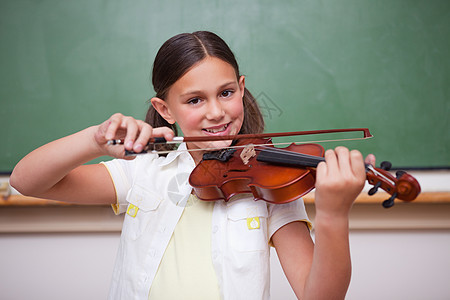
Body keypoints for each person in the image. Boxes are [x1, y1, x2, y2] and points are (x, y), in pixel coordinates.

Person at [10, 31, 375, 300]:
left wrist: (333, 214)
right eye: (195, 100)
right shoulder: (145, 171)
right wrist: (95, 139)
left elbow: (321, 297)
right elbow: (28, 181)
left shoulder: (270, 186)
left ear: (242, 89)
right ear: (165, 109)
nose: (216, 112)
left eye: (226, 93)